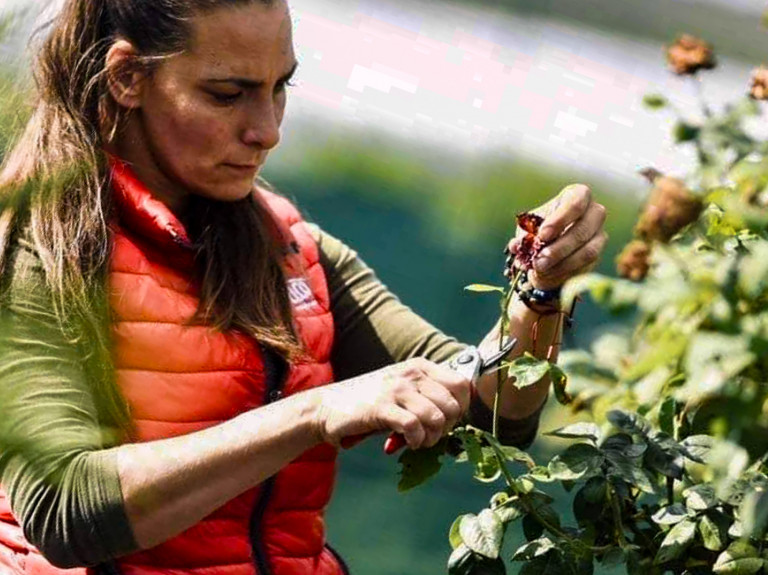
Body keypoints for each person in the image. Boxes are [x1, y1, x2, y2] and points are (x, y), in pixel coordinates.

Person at [0, 1, 608, 574]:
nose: (266, 131)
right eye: (228, 94)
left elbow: (489, 411)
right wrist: (313, 412)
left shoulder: (291, 248)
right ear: (127, 76)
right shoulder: (35, 246)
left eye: (280, 88)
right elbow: (64, 510)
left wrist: (540, 287)